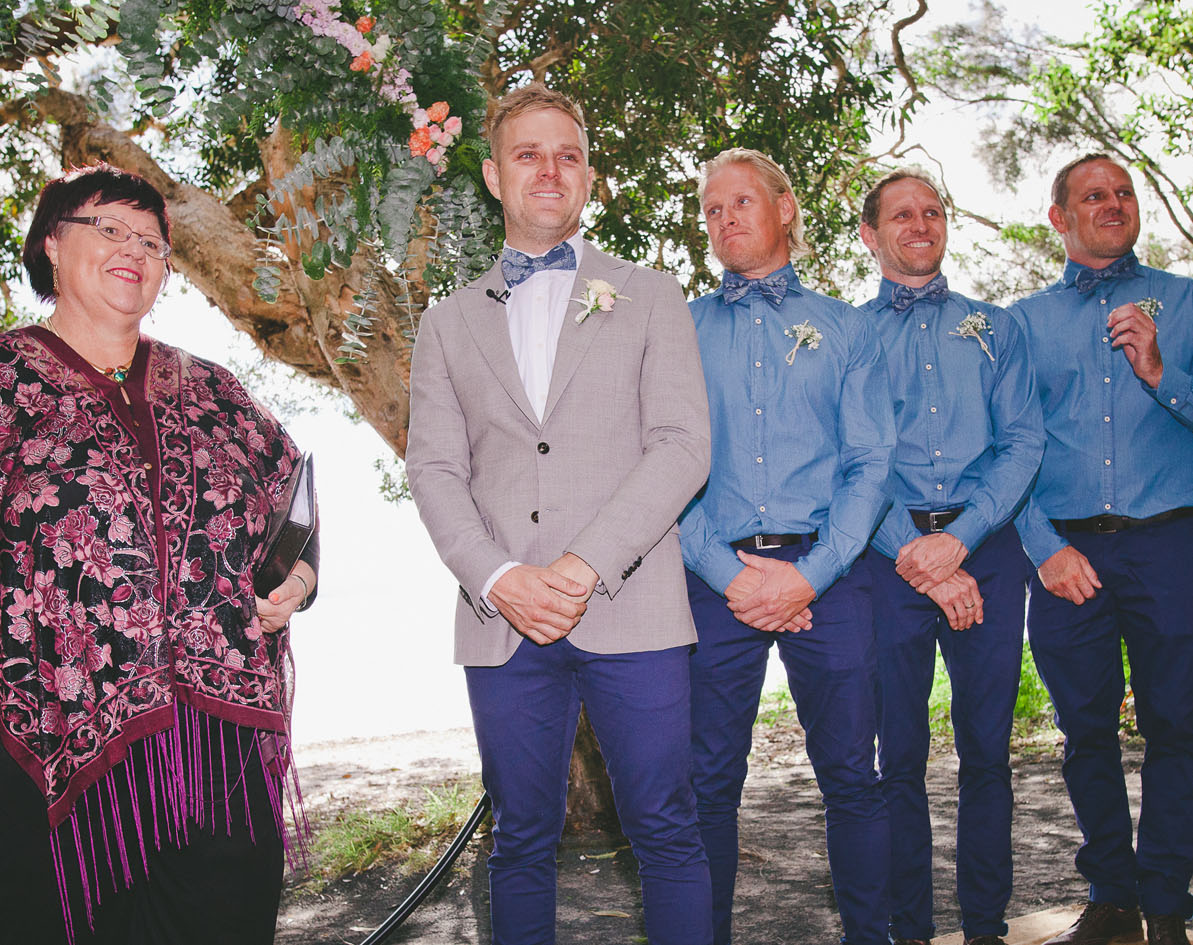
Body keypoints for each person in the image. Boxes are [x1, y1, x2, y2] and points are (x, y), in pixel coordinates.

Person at [0, 163, 318, 945]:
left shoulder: (215, 392)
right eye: (109, 228)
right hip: (32, 749)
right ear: (52, 245)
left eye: (152, 242)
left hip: (216, 747)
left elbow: (290, 504)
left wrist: (297, 579)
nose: (134, 249)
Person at [404, 84, 712, 945]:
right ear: (492, 176)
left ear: (588, 176)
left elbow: (682, 445)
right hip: (501, 620)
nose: (550, 169)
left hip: (633, 606)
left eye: (568, 155)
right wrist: (499, 577)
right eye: (528, 154)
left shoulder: (651, 294)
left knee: (667, 828)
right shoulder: (445, 324)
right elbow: (433, 469)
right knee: (518, 840)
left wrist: (582, 566)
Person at [680, 147, 895, 945]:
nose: (724, 218)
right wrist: (726, 572)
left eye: (740, 201)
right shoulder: (679, 329)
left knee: (851, 775)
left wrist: (810, 575)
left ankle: (867, 935)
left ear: (785, 207)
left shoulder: (846, 328)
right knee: (706, 783)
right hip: (712, 581)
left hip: (828, 579)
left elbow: (870, 462)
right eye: (711, 209)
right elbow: (660, 459)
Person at [857, 168, 1045, 945]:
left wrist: (958, 540)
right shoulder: (848, 336)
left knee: (987, 752)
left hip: (986, 554)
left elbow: (1022, 442)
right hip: (885, 558)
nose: (920, 224)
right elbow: (849, 460)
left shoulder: (997, 328)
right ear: (869, 235)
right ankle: (908, 928)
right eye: (901, 214)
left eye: (932, 211)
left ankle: (985, 926)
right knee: (897, 755)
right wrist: (915, 552)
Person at [1012, 153, 1193, 945]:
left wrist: (1160, 370)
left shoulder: (1185, 302)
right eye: (1093, 195)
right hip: (1065, 557)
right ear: (1059, 217)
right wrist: (1040, 546)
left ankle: (1167, 898)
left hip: (1170, 546)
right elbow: (1005, 447)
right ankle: (1112, 896)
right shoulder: (1021, 324)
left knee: (1178, 724)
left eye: (1123, 192)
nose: (1113, 203)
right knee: (1084, 730)